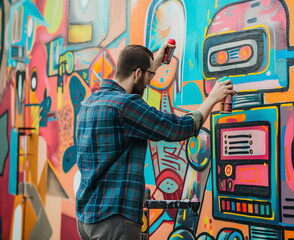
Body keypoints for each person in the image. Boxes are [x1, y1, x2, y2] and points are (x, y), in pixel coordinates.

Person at [75, 42, 235, 240]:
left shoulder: (91, 102)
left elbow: (133, 91)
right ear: (138, 73)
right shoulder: (125, 105)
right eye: (150, 75)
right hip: (113, 219)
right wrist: (211, 99)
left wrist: (152, 65)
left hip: (87, 216)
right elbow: (178, 128)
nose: (151, 81)